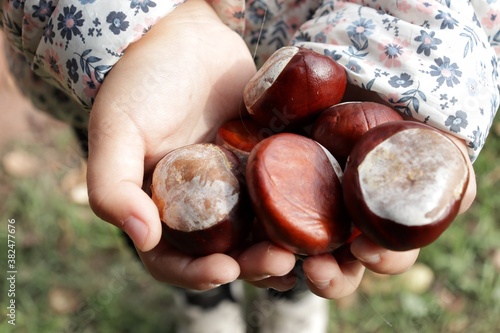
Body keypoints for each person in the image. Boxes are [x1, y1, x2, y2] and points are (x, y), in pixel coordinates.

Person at [1, 0, 497, 332]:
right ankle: (206, 303)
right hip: (116, 71)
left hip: (351, 50)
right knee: (149, 209)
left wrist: (414, 72)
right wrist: (143, 26)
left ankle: (294, 301)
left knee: (299, 253)